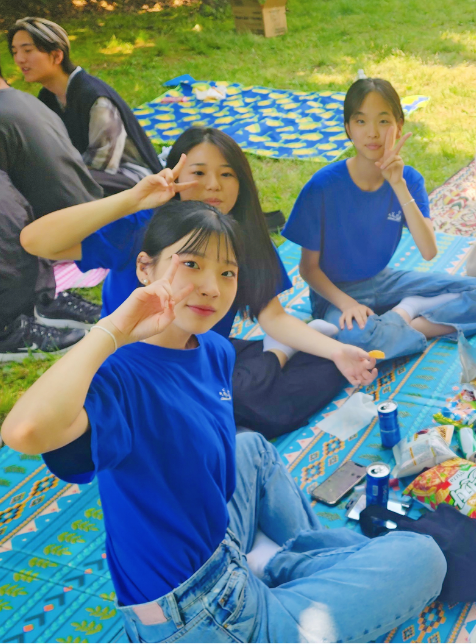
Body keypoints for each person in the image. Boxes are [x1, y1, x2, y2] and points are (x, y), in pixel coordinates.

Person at [1, 201, 447, 644]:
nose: (212, 287)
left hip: (223, 551)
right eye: (191, 264)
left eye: (228, 272)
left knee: (251, 448)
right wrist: (114, 329)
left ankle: (281, 566)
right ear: (145, 268)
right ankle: (298, 573)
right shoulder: (119, 377)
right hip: (196, 618)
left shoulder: (213, 350)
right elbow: (24, 431)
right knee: (423, 555)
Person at [20, 127, 376, 439]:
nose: (213, 185)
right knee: (216, 408)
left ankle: (273, 360)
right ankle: (274, 357)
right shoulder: (142, 229)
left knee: (324, 367)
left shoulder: (244, 238)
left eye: (227, 174)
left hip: (204, 359)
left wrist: (337, 352)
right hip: (136, 365)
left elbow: (273, 316)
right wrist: (129, 200)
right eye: (199, 173)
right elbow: (36, 241)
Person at [283, 78, 476, 361]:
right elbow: (308, 269)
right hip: (335, 295)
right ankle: (396, 324)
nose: (372, 133)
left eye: (383, 121)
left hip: (384, 281)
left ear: (399, 126)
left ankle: (406, 313)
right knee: (356, 339)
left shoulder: (409, 180)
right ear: (348, 128)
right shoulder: (322, 186)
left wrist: (398, 185)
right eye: (361, 121)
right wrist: (347, 303)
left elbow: (428, 251)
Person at [0, 60, 102, 352]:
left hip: (63, 233)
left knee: (10, 207)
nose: (21, 59)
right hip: (80, 226)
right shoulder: (24, 100)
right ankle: (11, 327)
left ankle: (40, 301)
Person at [8, 17, 162, 195]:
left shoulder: (96, 99)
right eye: (15, 52)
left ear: (57, 56)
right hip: (82, 174)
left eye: (27, 50)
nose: (19, 59)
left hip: (132, 178)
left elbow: (102, 163)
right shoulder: (47, 98)